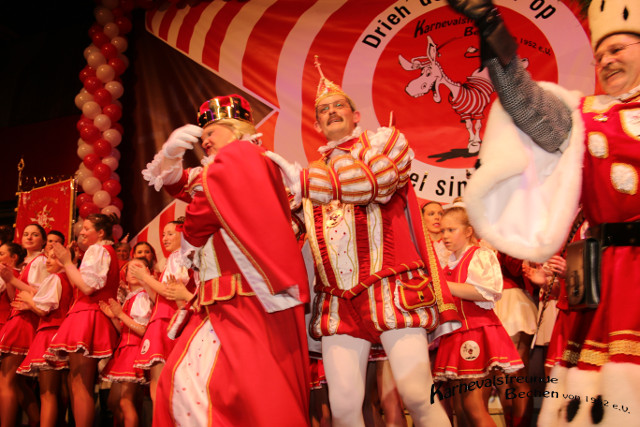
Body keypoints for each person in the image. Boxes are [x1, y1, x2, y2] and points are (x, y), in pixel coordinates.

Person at [447, 0, 640, 424]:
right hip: (612, 277)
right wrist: (492, 31)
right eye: (600, 55)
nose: (607, 61)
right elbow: (527, 104)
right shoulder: (586, 118)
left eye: (618, 49)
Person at [267, 58, 461, 427]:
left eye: (339, 105)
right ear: (317, 125)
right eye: (324, 110)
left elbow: (376, 185)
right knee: (343, 408)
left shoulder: (386, 144)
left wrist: (304, 184)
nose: (331, 111)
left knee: (417, 395)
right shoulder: (311, 175)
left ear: (356, 115)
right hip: (338, 300)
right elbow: (283, 232)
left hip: (391, 287)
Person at [142, 94, 310, 426]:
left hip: (245, 296)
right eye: (202, 135)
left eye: (212, 131)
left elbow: (201, 211)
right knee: (201, 386)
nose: (204, 140)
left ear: (236, 129)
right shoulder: (222, 169)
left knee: (246, 391)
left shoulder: (244, 156)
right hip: (222, 300)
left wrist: (190, 235)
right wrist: (171, 154)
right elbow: (179, 184)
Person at [433, 206, 523, 427]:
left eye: (451, 230)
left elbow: (486, 293)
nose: (445, 236)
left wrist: (443, 286)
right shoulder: (449, 262)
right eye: (442, 231)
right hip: (455, 333)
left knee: (473, 406)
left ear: (468, 231)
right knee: (460, 407)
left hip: (476, 331)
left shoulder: (480, 255)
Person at [47, 213, 121, 427]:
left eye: (87, 228)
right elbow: (81, 285)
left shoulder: (97, 250)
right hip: (87, 313)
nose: (82, 232)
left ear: (101, 233)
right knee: (77, 381)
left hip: (88, 314)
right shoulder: (102, 251)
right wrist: (67, 264)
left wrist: (67, 262)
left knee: (81, 382)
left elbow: (88, 287)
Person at [130, 218, 195, 406]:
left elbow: (169, 291)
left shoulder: (178, 256)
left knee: (160, 383)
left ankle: (162, 418)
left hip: (167, 320)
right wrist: (145, 281)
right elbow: (159, 296)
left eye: (170, 234)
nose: (165, 238)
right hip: (165, 317)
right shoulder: (176, 258)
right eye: (164, 234)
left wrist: (145, 277)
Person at [15, 248, 73, 427]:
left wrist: (29, 301)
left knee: (47, 393)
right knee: (55, 390)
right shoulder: (66, 279)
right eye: (48, 257)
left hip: (50, 333)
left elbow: (43, 310)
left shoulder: (56, 278)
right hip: (57, 332)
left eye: (54, 258)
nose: (48, 261)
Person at [0, 223, 48, 427]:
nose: (29, 237)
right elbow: (15, 297)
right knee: (16, 381)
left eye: (35, 235)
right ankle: (34, 420)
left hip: (25, 320)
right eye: (26, 234)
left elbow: (41, 293)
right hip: (18, 317)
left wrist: (11, 278)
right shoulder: (28, 263)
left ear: (43, 241)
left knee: (6, 380)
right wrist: (10, 280)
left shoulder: (40, 262)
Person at [99, 257, 153, 427]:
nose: (134, 272)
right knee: (114, 401)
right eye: (131, 269)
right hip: (125, 349)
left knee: (125, 401)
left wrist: (120, 315)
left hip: (134, 350)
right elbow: (125, 330)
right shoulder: (132, 297)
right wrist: (114, 317)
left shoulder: (142, 296)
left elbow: (143, 330)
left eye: (139, 268)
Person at [422, 201, 449, 267]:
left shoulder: (452, 243)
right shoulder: (419, 246)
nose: (437, 217)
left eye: (440, 214)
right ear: (422, 218)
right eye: (431, 214)